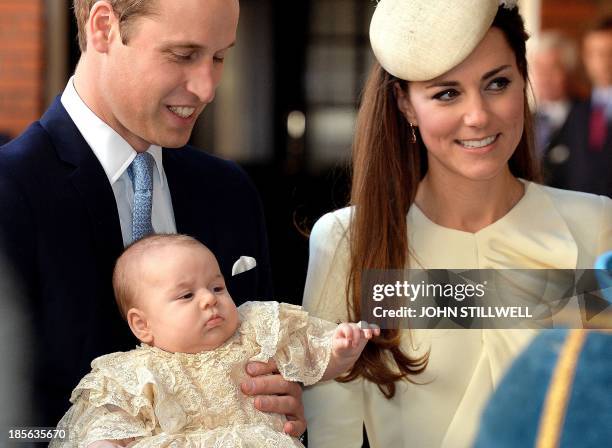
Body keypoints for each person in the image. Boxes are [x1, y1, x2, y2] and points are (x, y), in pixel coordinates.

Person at [302, 1, 612, 447]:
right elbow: (333, 430)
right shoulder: (347, 241)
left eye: (497, 84)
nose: (479, 116)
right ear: (405, 104)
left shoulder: (595, 222)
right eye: (446, 93)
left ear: (524, 80)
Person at [0, 0, 304, 433]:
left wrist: (282, 405)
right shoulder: (10, 191)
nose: (207, 88)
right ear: (104, 27)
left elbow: (273, 363)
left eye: (219, 57)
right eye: (182, 55)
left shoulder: (230, 192)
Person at [51, 234, 378, 448]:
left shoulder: (254, 331)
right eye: (187, 295)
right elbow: (102, 427)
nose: (209, 300)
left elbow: (313, 358)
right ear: (142, 324)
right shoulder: (132, 373)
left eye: (217, 287)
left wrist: (341, 347)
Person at [544, 16, 612, 196]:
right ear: (585, 58)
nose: (603, 63)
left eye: (609, 53)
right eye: (594, 54)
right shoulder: (576, 112)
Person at [529, 31, 579, 168]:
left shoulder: (588, 117)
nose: (545, 77)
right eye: (539, 69)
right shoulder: (523, 119)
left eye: (553, 68)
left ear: (569, 71)